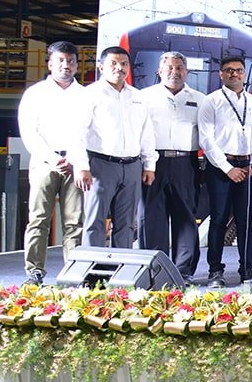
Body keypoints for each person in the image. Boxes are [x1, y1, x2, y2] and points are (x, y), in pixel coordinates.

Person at [69, 47, 157, 249]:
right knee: (95, 222)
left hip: (132, 167)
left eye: (124, 64)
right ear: (101, 67)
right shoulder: (89, 95)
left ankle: (121, 266)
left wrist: (149, 165)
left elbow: (146, 132)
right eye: (113, 63)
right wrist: (81, 167)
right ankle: (93, 267)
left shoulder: (137, 96)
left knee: (126, 224)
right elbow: (77, 133)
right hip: (100, 165)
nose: (119, 68)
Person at [17, 41, 85, 282]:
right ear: (50, 64)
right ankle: (34, 271)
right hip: (45, 163)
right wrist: (54, 159)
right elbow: (29, 132)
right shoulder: (35, 94)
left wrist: (74, 159)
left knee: (74, 222)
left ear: (77, 65)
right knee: (38, 219)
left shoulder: (85, 95)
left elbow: (89, 133)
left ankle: (73, 273)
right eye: (60, 60)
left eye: (71, 61)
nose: (66, 65)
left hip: (76, 165)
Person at [198, 56, 252, 286]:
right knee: (218, 219)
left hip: (248, 168)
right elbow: (206, 140)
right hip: (220, 168)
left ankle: (247, 268)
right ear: (221, 74)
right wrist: (228, 169)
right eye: (228, 70)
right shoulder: (211, 101)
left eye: (238, 70)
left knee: (245, 220)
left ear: (244, 74)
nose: (234, 74)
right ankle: (215, 271)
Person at [139, 52, 204, 279]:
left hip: (186, 163)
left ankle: (183, 271)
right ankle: (155, 270)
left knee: (186, 217)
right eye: (169, 68)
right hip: (153, 163)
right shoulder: (144, 98)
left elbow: (205, 134)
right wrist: (146, 163)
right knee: (152, 216)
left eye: (179, 68)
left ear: (187, 72)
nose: (174, 72)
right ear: (159, 71)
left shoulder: (199, 99)